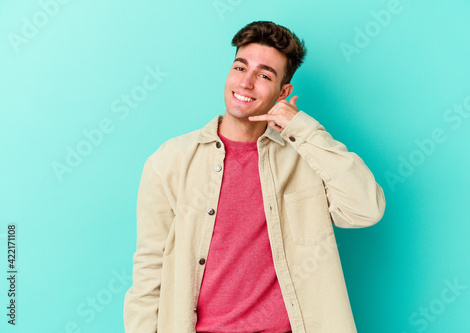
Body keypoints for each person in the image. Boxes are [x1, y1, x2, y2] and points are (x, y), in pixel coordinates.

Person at [123, 20, 386, 333]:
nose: (246, 83)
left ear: (283, 92)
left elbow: (366, 209)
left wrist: (302, 129)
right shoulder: (170, 160)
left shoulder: (305, 157)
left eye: (264, 75)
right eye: (239, 67)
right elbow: (149, 269)